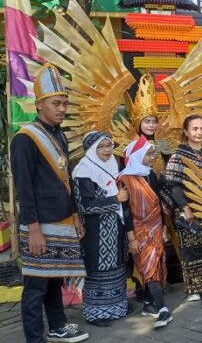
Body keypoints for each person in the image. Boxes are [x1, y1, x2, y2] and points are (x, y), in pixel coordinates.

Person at [11, 65, 89, 343]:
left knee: (55, 279)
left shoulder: (59, 134)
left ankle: (57, 326)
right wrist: (32, 228)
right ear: (39, 103)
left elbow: (65, 179)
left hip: (62, 221)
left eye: (65, 103)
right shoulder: (25, 139)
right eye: (56, 103)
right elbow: (24, 187)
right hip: (39, 224)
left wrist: (75, 214)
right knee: (35, 285)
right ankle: (34, 338)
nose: (62, 109)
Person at [72, 132, 133, 327]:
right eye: (102, 146)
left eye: (109, 145)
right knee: (99, 270)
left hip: (116, 228)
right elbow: (85, 206)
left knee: (117, 266)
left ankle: (118, 307)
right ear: (91, 149)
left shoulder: (114, 165)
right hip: (95, 232)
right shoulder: (84, 170)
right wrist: (115, 199)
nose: (107, 150)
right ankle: (97, 313)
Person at [159, 114, 202, 301]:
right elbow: (173, 184)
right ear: (186, 131)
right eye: (195, 129)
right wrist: (185, 208)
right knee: (192, 250)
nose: (199, 132)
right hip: (189, 209)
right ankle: (194, 289)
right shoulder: (179, 155)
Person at [119, 136, 172, 328]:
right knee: (148, 267)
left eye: (152, 153)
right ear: (137, 155)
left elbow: (158, 202)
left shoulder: (151, 175)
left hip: (157, 226)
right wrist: (131, 238)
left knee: (157, 264)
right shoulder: (125, 179)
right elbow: (125, 212)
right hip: (139, 229)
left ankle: (150, 304)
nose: (152, 157)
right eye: (149, 154)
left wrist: (164, 226)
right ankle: (163, 309)